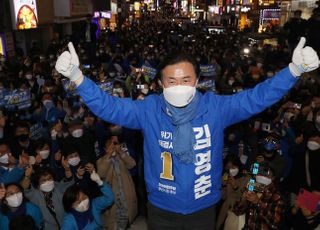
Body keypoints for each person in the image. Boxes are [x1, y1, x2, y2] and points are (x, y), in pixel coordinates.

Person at [55, 38, 319, 229]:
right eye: (171, 81)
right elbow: (109, 107)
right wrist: (77, 77)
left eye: (185, 80)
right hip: (160, 209)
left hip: (202, 209)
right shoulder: (149, 110)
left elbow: (256, 98)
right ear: (160, 83)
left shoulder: (215, 108)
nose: (178, 87)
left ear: (196, 81)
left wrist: (292, 71)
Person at [97, 137, 137, 230]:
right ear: (105, 149)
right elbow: (101, 173)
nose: (112, 148)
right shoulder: (101, 161)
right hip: (114, 199)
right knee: (114, 222)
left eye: (114, 145)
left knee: (126, 219)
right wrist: (108, 156)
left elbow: (132, 164)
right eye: (109, 146)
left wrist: (121, 152)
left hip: (125, 197)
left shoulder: (121, 157)